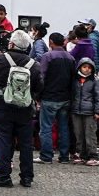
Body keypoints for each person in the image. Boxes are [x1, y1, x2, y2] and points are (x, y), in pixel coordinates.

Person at [0, 30, 44, 188]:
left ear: (11, 43)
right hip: (25, 109)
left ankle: (4, 176)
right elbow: (40, 87)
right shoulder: (34, 65)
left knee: (4, 140)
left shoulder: (0, 58)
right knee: (26, 144)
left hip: (4, 106)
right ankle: (27, 177)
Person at [34, 32, 76, 164]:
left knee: (46, 127)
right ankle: (64, 156)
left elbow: (42, 77)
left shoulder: (48, 56)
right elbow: (72, 79)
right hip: (65, 98)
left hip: (49, 97)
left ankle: (46, 156)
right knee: (64, 127)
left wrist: (37, 95)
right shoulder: (70, 58)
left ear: (51, 42)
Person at [70, 58, 99, 165]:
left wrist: (98, 111)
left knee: (90, 134)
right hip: (76, 111)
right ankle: (81, 154)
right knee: (78, 134)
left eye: (89, 68)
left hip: (89, 112)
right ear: (80, 67)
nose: (87, 69)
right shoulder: (75, 80)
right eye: (84, 67)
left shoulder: (95, 81)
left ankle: (94, 156)